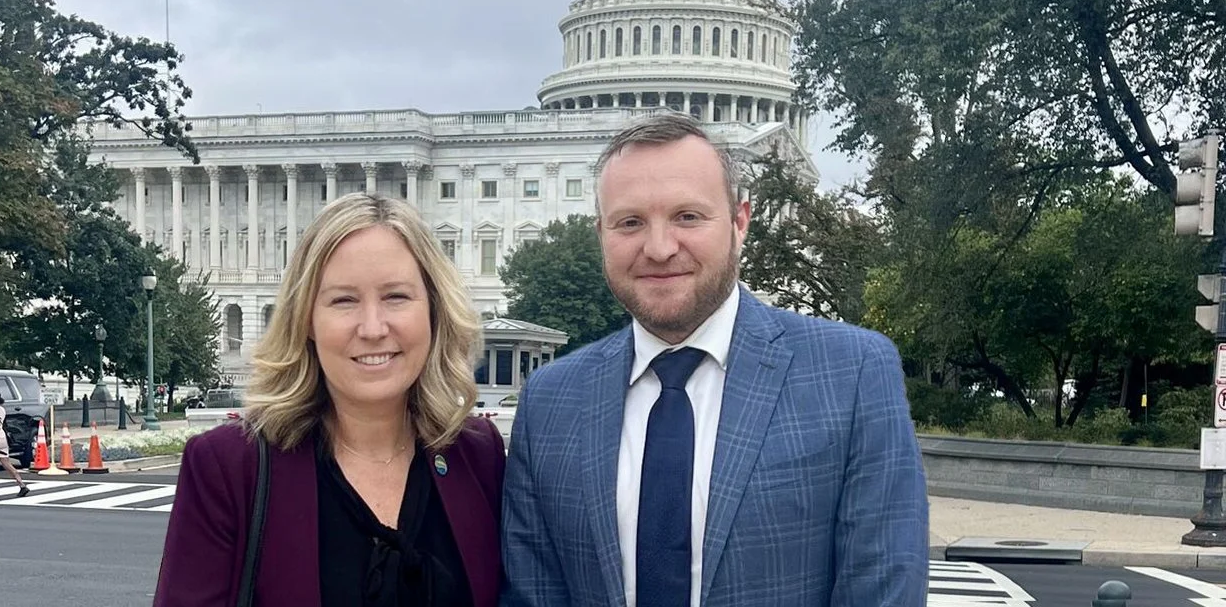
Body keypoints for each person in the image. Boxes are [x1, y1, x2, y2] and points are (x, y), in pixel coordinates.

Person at [501, 113, 929, 607]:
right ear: (602, 232)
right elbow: (533, 594)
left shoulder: (851, 374)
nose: (659, 249)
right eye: (630, 222)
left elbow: (882, 590)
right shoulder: (551, 400)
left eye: (688, 216)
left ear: (740, 221)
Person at [155, 192, 506, 607]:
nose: (373, 328)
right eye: (344, 300)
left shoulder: (478, 455)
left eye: (396, 296)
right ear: (307, 320)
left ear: (433, 310)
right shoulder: (231, 467)